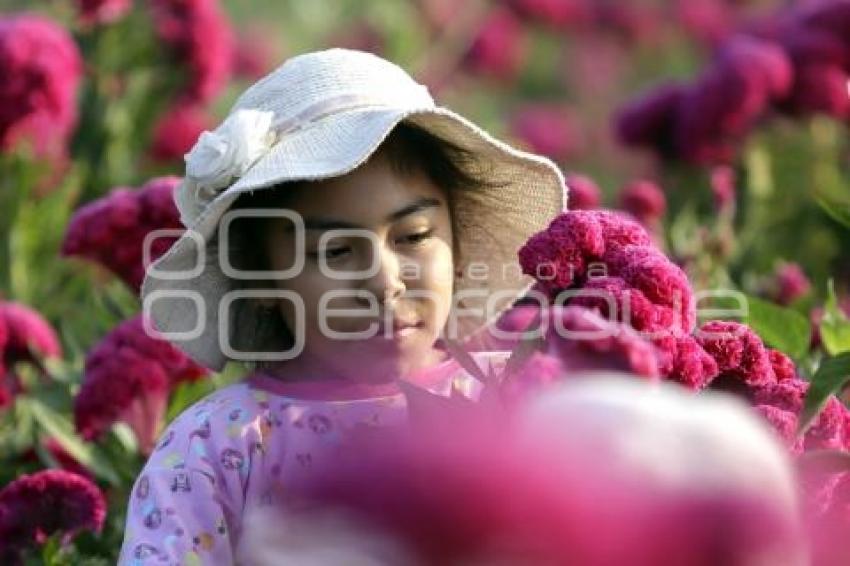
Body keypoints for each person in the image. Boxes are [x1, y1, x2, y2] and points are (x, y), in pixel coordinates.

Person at [119, 47, 565, 564]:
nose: (383, 281)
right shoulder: (217, 447)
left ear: (458, 248)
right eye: (334, 251)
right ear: (259, 276)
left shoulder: (517, 396)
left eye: (414, 235)